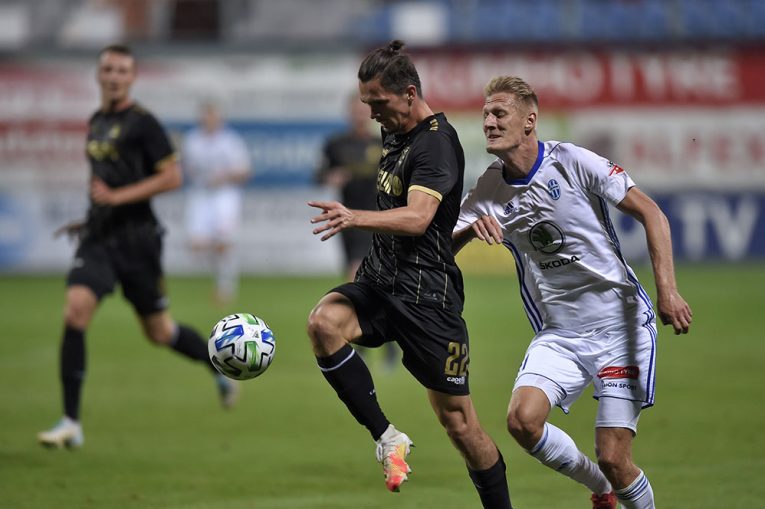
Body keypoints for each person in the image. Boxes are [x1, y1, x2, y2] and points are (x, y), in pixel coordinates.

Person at [453, 75, 693, 509]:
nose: (488, 121)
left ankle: (613, 481)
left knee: (615, 457)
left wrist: (668, 291)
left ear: (530, 121)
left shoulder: (572, 161)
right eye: (486, 113)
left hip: (622, 328)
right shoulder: (489, 189)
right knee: (522, 422)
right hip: (561, 333)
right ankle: (599, 487)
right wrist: (468, 231)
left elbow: (652, 214)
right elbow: (437, 248)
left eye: (499, 113)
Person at [307, 41, 513, 508]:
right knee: (323, 323)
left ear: (408, 93)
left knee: (461, 426)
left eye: (378, 103)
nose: (373, 114)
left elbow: (419, 218)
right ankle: (387, 438)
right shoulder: (394, 130)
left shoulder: (436, 143)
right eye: (367, 105)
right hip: (381, 282)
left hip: (428, 301)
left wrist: (354, 217)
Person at [38, 44, 238, 450]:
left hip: (138, 242)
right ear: (99, 75)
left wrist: (117, 197)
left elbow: (172, 178)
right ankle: (71, 422)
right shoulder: (95, 121)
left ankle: (216, 366)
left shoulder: (144, 124)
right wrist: (93, 212)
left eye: (121, 70)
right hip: (98, 238)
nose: (113, 76)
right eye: (107, 68)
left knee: (160, 332)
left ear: (131, 78)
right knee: (76, 310)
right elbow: (103, 184)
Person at [316, 93, 398, 371]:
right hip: (347, 220)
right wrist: (330, 176)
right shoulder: (337, 145)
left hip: (379, 218)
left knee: (364, 280)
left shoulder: (383, 143)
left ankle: (377, 345)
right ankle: (372, 345)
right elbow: (319, 174)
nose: (359, 115)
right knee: (357, 281)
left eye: (363, 110)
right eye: (354, 110)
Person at [182, 100, 252, 305]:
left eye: (213, 115)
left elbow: (244, 171)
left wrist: (225, 176)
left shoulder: (230, 141)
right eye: (206, 115)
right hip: (200, 194)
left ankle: (225, 288)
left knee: (224, 243)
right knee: (197, 244)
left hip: (225, 195)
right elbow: (187, 167)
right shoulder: (192, 140)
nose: (209, 120)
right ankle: (214, 279)